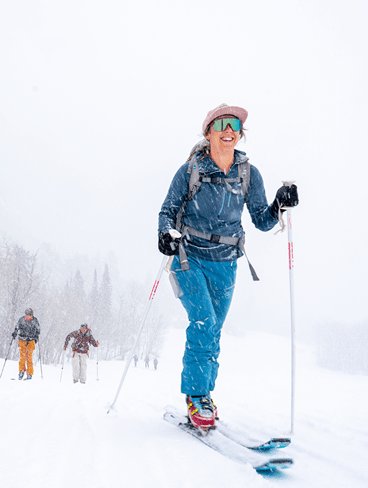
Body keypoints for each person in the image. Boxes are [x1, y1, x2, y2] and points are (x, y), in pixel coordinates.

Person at [157, 103, 298, 432]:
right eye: (221, 123)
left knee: (213, 331)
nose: (229, 128)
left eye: (234, 123)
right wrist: (165, 233)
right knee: (203, 323)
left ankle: (204, 393)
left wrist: (280, 203)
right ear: (208, 133)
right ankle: (195, 396)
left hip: (226, 263)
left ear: (239, 132)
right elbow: (168, 210)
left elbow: (263, 220)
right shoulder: (190, 170)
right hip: (188, 257)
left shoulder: (249, 173)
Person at [12, 308, 40, 380]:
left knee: (29, 358)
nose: (27, 317)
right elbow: (17, 327)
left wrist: (36, 338)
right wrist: (15, 333)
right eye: (26, 315)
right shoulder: (21, 320)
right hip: (22, 340)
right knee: (22, 357)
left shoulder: (35, 321)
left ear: (32, 315)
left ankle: (29, 373)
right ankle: (21, 371)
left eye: (29, 316)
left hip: (31, 341)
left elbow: (38, 330)